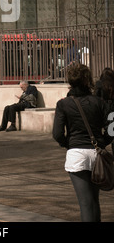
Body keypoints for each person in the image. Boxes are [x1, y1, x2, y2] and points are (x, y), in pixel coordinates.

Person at [53, 63, 112, 222]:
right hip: (97, 153)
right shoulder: (99, 102)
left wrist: (68, 143)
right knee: (94, 201)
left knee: (85, 203)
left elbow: (57, 133)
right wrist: (103, 142)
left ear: (70, 81)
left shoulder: (63, 104)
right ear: (87, 80)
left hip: (77, 154)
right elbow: (113, 127)